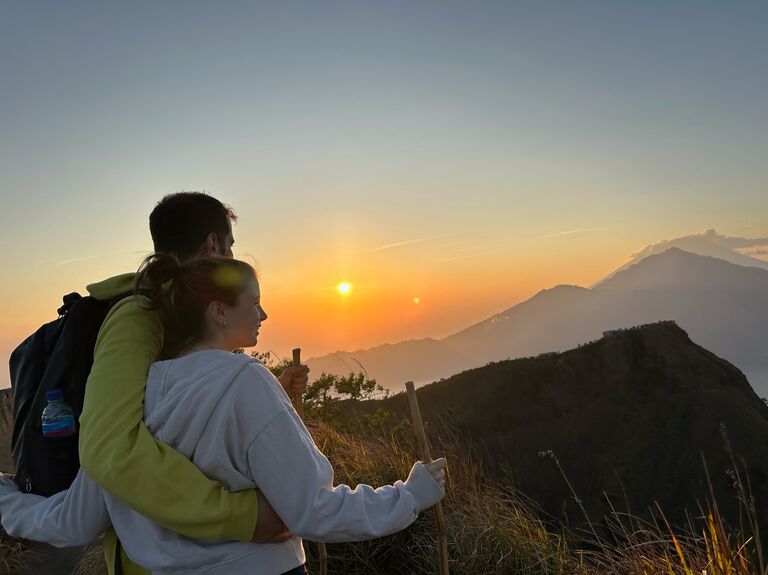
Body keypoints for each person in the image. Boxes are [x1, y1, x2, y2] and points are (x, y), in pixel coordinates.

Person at [0, 254, 448, 574]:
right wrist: (410, 495)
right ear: (218, 312)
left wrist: (6, 498)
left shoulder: (129, 403)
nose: (263, 312)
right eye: (253, 302)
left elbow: (72, 520)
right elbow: (313, 511)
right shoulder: (246, 382)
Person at [35, 192, 300, 574]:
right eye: (230, 246)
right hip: (162, 562)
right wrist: (240, 516)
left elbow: (185, 413)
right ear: (213, 244)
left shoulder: (187, 316)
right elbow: (110, 447)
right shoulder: (139, 315)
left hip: (213, 556)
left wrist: (270, 391)